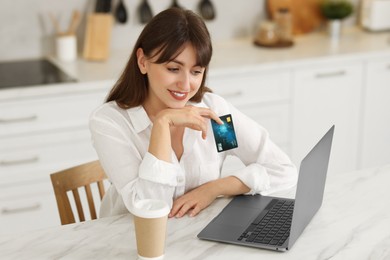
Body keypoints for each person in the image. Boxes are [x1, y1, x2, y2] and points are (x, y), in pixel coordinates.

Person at [89, 8, 297, 219]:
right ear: (143, 61)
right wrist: (162, 124)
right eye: (173, 69)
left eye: (196, 72)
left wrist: (215, 188)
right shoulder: (112, 123)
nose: (186, 85)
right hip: (132, 242)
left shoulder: (215, 118)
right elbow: (150, 207)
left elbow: (282, 169)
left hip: (195, 241)